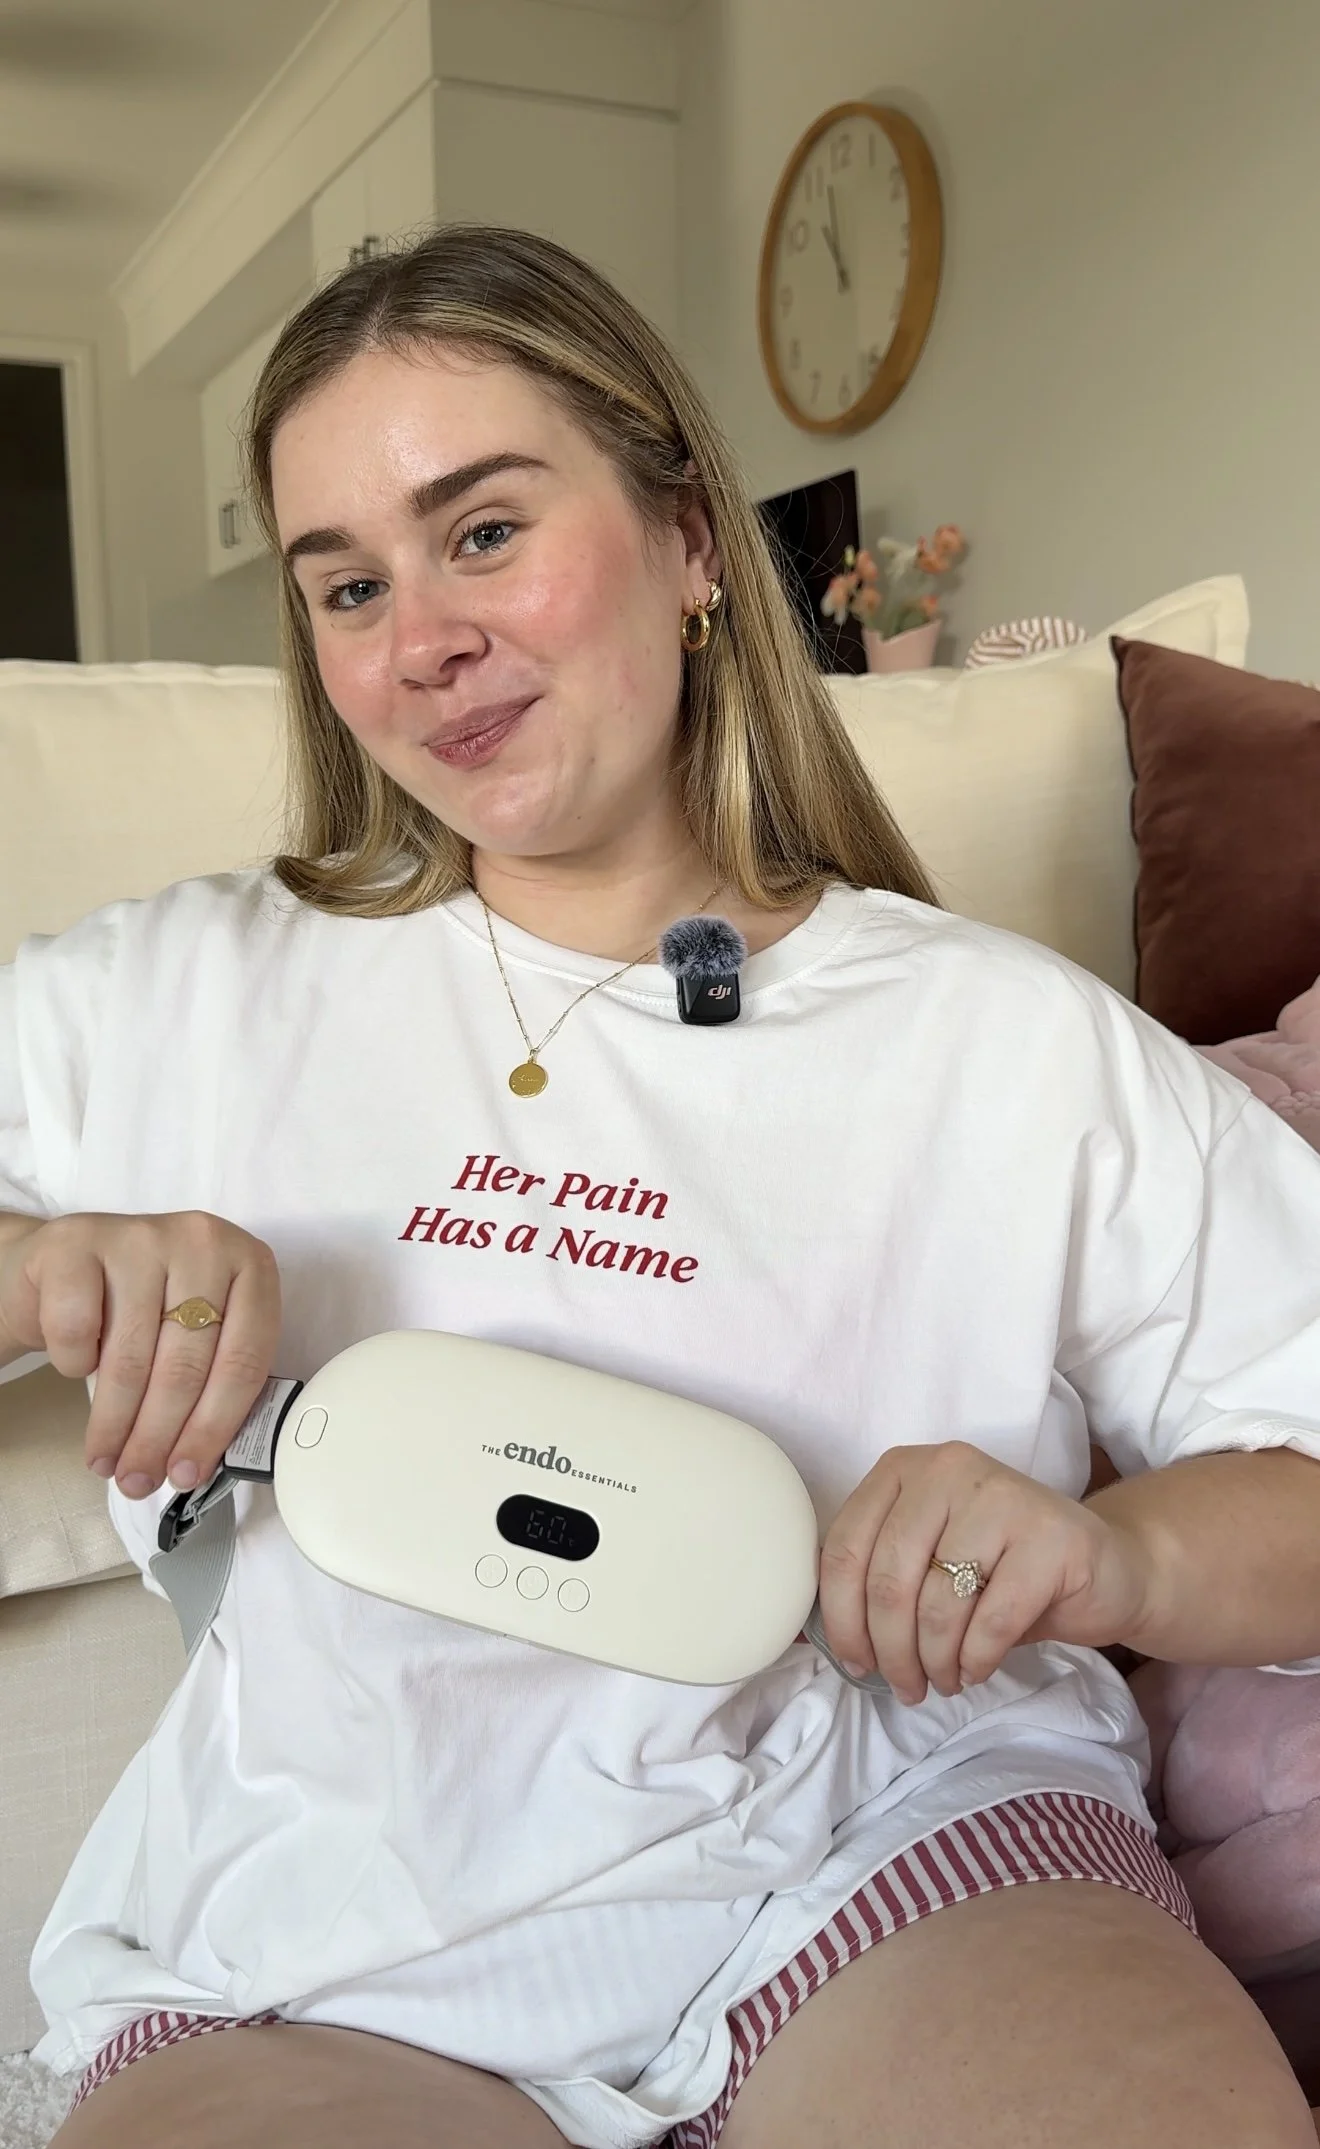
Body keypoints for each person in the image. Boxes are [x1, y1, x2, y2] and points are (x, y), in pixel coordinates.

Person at [2, 224, 1319, 2149]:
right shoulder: (172, 997)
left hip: (897, 1849)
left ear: (693, 543)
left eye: (482, 533)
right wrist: (44, 1273)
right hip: (331, 1927)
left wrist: (1117, 1559)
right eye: (349, 586)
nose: (419, 642)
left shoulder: (1002, 1040)